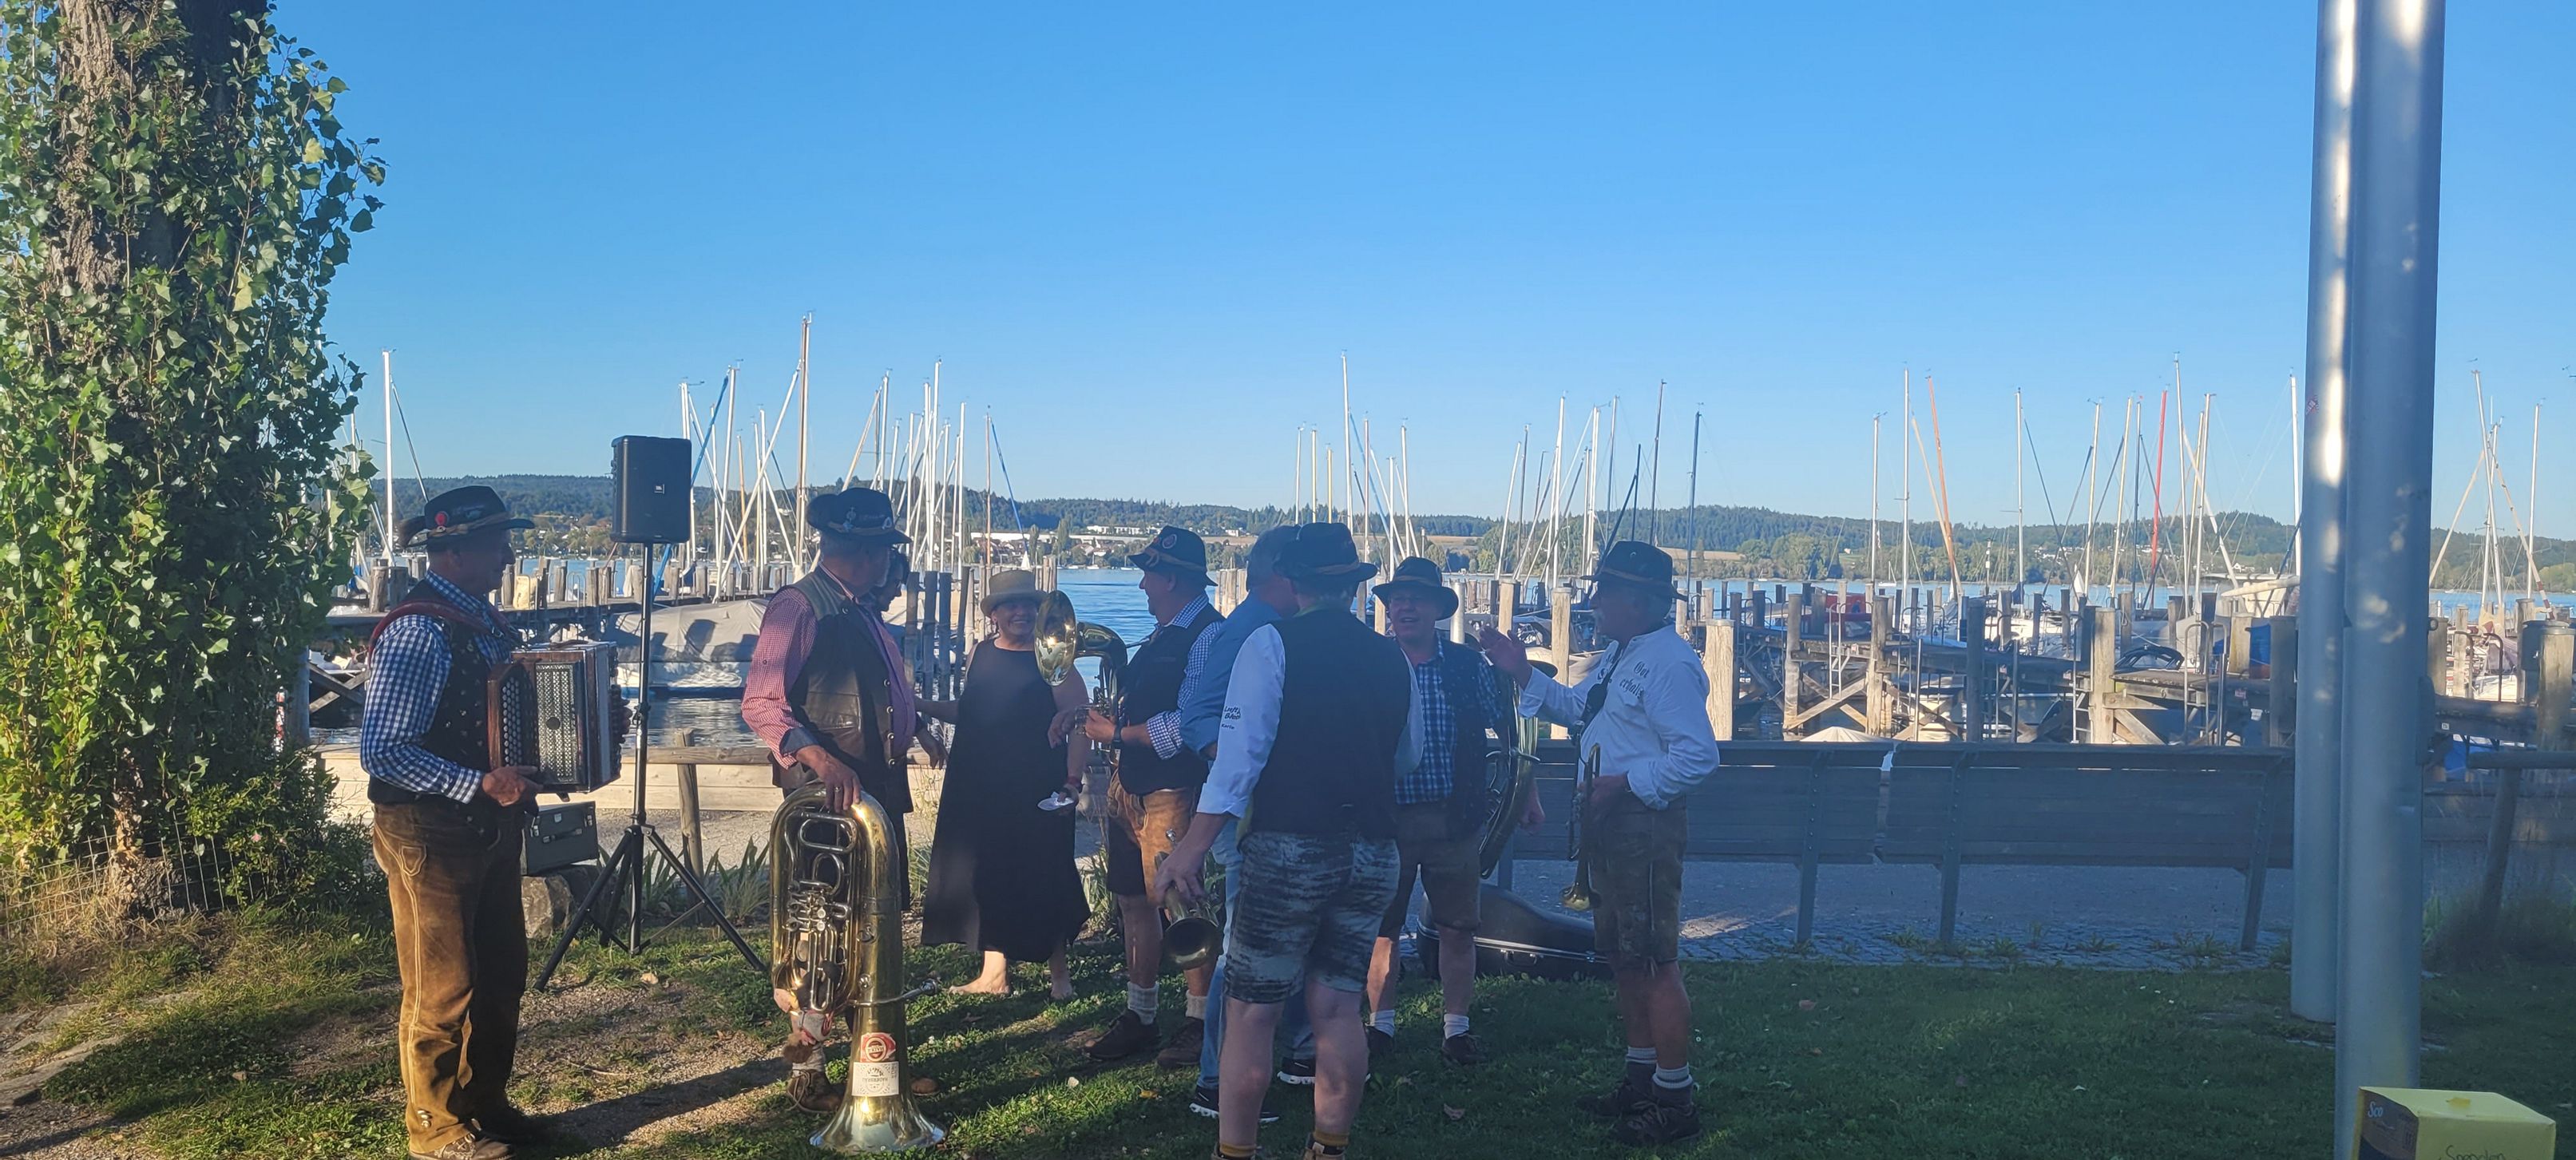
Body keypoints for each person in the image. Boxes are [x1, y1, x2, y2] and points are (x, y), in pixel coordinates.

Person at [1157, 522, 1423, 1160]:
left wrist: (1192, 845)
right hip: (1372, 851)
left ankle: (1235, 1152)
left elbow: (1238, 761)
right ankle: (1329, 1148)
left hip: (1289, 847)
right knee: (1338, 1009)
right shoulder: (1394, 657)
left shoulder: (1270, 642)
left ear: (1293, 581)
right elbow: (1408, 757)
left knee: (1253, 1011)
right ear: (1352, 585)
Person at [1478, 540, 1718, 1147]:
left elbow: (1698, 756)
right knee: (1623, 956)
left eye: (1603, 591)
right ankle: (1641, 1080)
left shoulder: (1670, 663)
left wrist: (1625, 784)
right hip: (1613, 821)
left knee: (1654, 960)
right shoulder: (1622, 653)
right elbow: (1581, 710)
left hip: (1644, 825)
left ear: (1636, 600)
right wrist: (1521, 670)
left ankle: (1675, 1099)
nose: (1593, 602)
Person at [360, 486, 548, 1160]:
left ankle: (483, 1104)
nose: (507, 554)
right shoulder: (419, 630)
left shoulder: (483, 623)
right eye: (497, 542)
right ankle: (435, 1128)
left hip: (485, 825)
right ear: (456, 552)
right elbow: (381, 750)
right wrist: (478, 783)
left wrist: (578, 735)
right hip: (428, 831)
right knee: (441, 988)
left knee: (502, 975)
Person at [740, 486, 917, 1114]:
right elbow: (761, 702)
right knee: (821, 933)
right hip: (829, 800)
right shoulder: (798, 605)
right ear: (864, 552)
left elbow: (881, 695)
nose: (889, 562)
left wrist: (917, 727)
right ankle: (808, 1069)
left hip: (872, 793)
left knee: (872, 928)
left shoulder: (859, 608)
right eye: (884, 550)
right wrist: (819, 757)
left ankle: (875, 1061)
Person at [1363, 556, 1543, 1067]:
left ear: (1438, 610)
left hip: (1454, 819)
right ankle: (1380, 1027)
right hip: (1386, 820)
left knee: (1459, 927)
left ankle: (1456, 1030)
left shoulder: (1467, 665)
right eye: (1397, 599)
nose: (1405, 607)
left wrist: (1527, 794)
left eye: (1416, 599)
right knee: (1382, 929)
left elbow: (1509, 732)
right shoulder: (1372, 663)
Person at [1064, 526, 1223, 1067]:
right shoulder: (1165, 632)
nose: (1141, 586)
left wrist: (1116, 734)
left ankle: (1200, 1022)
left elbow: (1189, 724)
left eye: (1148, 575)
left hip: (1171, 787)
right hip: (1132, 784)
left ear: (1170, 578)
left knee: (1182, 906)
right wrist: (1086, 718)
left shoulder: (1206, 634)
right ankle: (1142, 1013)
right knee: (1133, 899)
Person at [1182, 525, 1309, 1122]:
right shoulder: (1253, 628)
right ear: (1284, 573)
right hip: (1246, 812)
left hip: (1266, 807)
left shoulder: (1272, 625)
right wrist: (1245, 765)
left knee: (1281, 938)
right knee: (1242, 948)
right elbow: (1197, 715)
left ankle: (1299, 1052)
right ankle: (1215, 1078)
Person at [917, 568, 1088, 1000]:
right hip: (980, 781)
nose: (1021, 612)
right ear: (993, 613)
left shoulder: (1055, 660)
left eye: (1029, 604)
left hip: (1037, 785)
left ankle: (1060, 977)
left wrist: (1072, 782)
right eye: (1011, 604)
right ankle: (994, 973)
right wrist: (919, 704)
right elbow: (971, 710)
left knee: (1046, 872)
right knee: (989, 871)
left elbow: (1081, 724)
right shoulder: (979, 653)